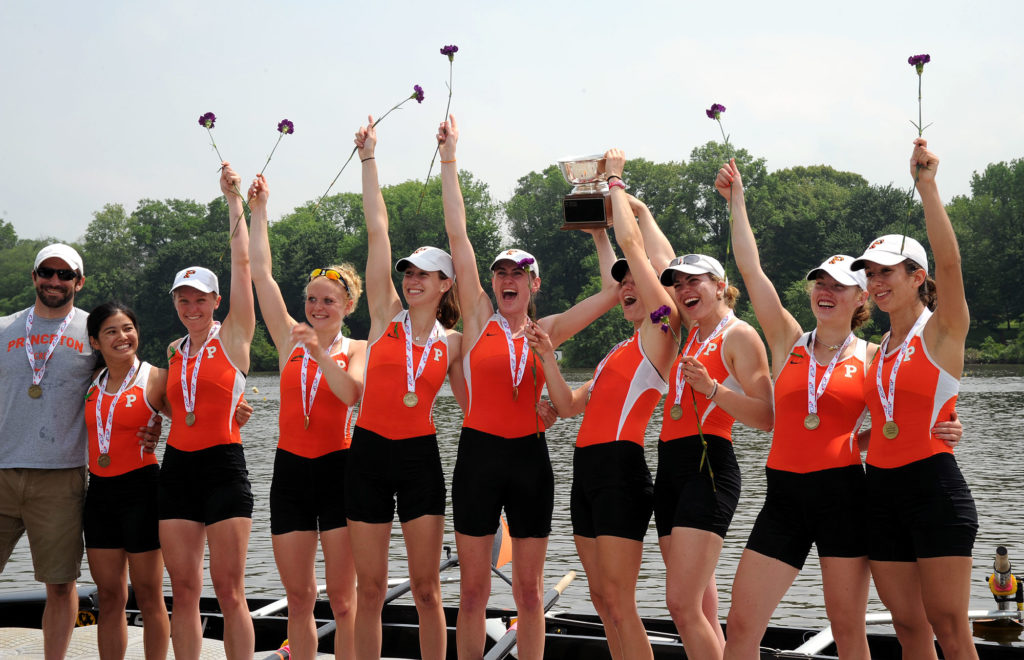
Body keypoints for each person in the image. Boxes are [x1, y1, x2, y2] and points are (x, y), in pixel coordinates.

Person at [715, 158, 962, 660]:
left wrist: (946, 426)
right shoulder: (786, 340)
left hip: (846, 497)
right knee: (741, 623)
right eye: (818, 284)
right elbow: (750, 270)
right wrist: (736, 202)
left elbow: (907, 408)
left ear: (860, 299)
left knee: (847, 629)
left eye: (838, 285)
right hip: (783, 497)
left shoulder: (876, 356)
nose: (824, 292)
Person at [438, 115, 620, 660]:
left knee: (529, 591)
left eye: (519, 272)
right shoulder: (477, 320)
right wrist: (449, 160)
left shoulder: (551, 330)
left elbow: (613, 293)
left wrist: (600, 232)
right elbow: (458, 234)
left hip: (530, 463)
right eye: (501, 272)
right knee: (472, 592)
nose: (508, 278)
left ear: (534, 283)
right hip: (477, 458)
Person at [526, 147, 679, 660]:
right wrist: (547, 356)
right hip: (587, 468)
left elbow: (637, 252)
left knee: (620, 601)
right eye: (623, 284)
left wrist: (614, 182)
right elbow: (569, 407)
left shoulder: (662, 333)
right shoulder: (620, 349)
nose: (627, 287)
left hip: (620, 470)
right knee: (600, 599)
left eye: (637, 281)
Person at [851, 139, 978, 660]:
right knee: (907, 628)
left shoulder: (943, 332)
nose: (876, 282)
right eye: (871, 273)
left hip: (934, 493)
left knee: (949, 627)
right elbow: (885, 419)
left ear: (917, 278)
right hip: (879, 492)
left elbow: (951, 266)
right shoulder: (877, 350)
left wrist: (928, 189)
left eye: (887, 272)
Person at [347, 116, 464, 660]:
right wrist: (369, 158)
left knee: (426, 590)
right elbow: (377, 230)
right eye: (407, 273)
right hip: (367, 454)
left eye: (424, 274)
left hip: (420, 458)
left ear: (445, 284)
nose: (411, 279)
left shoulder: (457, 342)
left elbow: (475, 407)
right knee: (369, 590)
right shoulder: (381, 315)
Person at [249, 173, 364, 660]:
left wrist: (319, 353)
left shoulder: (359, 347)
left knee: (342, 599)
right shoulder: (287, 340)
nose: (317, 307)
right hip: (290, 472)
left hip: (339, 473)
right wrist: (256, 209)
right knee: (300, 598)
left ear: (347, 305)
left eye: (328, 301)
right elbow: (260, 274)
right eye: (312, 300)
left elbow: (353, 393)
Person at [159, 162, 256, 660]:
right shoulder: (175, 351)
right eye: (183, 299)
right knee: (184, 589)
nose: (191, 307)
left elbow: (243, 266)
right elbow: (159, 406)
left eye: (200, 299)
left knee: (230, 589)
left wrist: (233, 200)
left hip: (223, 468)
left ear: (216, 301)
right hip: (176, 470)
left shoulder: (235, 339)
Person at [0, 244, 101, 660]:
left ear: (79, 281)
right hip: (2, 470)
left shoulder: (95, 331)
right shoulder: (4, 326)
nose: (55, 281)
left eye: (65, 275)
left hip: (61, 474)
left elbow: (134, 382)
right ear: (34, 276)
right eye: (47, 272)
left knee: (60, 584)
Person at [84, 302, 171, 660]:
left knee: (149, 594)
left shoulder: (156, 377)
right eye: (111, 331)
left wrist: (235, 409)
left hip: (143, 490)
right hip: (99, 494)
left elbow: (195, 416)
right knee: (109, 597)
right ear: (95, 342)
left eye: (128, 328)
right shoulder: (90, 382)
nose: (122, 337)